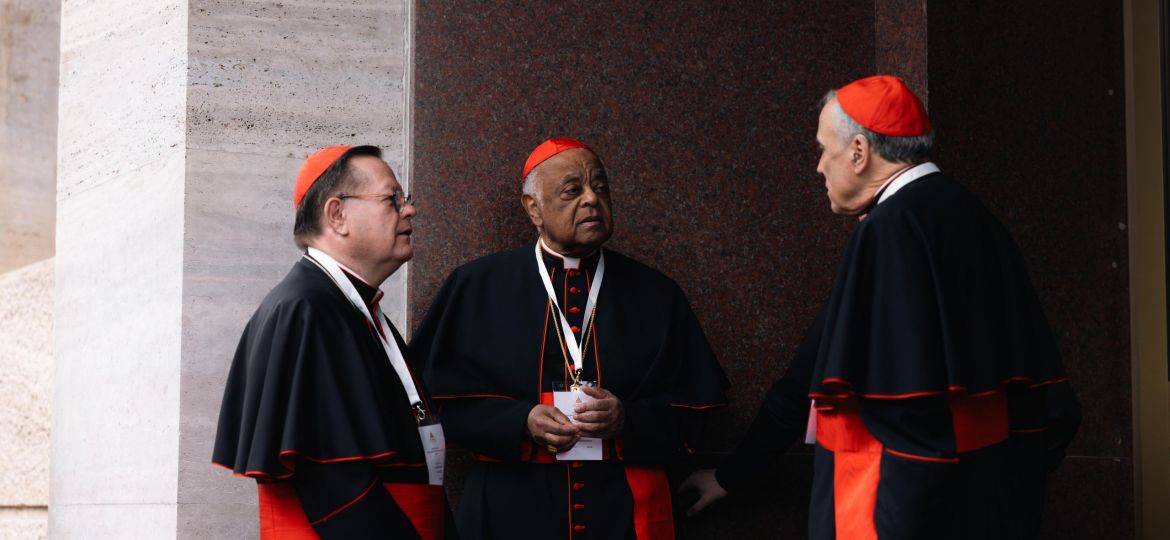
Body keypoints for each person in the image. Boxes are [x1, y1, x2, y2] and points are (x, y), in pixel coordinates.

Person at [680, 76, 1081, 539]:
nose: (818, 167)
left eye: (822, 149)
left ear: (857, 151)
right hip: (994, 506)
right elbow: (1052, 402)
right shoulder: (975, 216)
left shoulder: (890, 230)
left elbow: (907, 420)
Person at [412, 137, 729, 539]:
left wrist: (626, 419)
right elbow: (432, 406)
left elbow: (694, 414)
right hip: (511, 508)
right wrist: (520, 421)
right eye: (572, 190)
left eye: (600, 187)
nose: (592, 199)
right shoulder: (476, 286)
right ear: (533, 208)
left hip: (622, 511)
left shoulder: (656, 293)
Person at [213, 145, 453, 539]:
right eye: (392, 199)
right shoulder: (306, 310)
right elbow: (335, 485)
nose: (409, 210)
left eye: (405, 200)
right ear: (337, 215)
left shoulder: (353, 306)